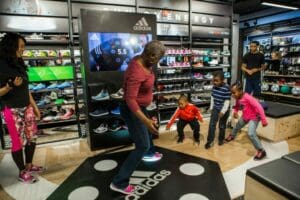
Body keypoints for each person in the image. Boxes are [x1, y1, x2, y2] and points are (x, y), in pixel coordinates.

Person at [110, 40, 166, 195]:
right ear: (152, 56)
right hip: (132, 110)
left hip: (141, 107)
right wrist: (146, 120)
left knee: (148, 133)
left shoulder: (143, 60)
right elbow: (130, 99)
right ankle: (119, 182)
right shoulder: (137, 70)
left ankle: (149, 154)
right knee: (142, 145)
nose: (159, 62)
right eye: (159, 58)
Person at [0, 33, 43, 183]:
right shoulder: (1, 64)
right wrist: (9, 86)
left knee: (32, 138)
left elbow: (26, 88)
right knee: (17, 141)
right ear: (11, 46)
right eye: (21, 46)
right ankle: (22, 172)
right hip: (10, 109)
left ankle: (29, 165)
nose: (23, 49)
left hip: (26, 106)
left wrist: (34, 106)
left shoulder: (18, 62)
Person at [225, 82, 268, 160]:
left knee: (251, 133)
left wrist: (263, 120)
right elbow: (237, 105)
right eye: (232, 93)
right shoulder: (238, 97)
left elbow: (259, 107)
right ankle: (232, 136)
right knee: (237, 127)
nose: (233, 94)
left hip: (254, 117)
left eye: (234, 92)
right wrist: (235, 111)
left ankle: (261, 151)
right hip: (246, 116)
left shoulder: (248, 97)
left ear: (241, 91)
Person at [205, 71, 231, 149]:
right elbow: (213, 98)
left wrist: (223, 111)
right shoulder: (214, 87)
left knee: (222, 126)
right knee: (212, 125)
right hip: (216, 108)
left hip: (224, 110)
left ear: (222, 80)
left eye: (217, 81)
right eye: (214, 80)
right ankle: (210, 141)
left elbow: (227, 101)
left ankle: (221, 139)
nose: (214, 82)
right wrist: (211, 107)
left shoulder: (227, 88)